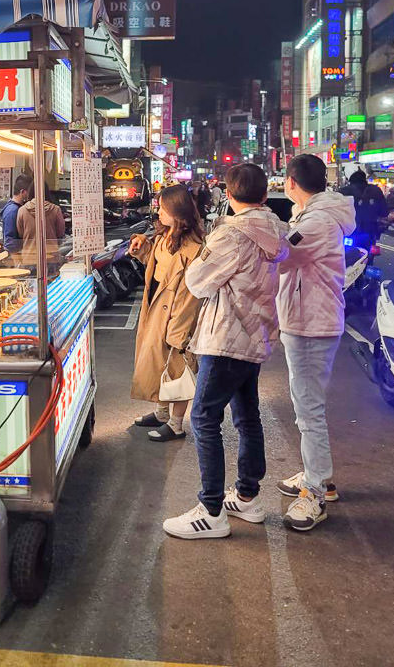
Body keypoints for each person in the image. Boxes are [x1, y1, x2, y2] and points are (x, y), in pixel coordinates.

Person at [163, 163, 287, 540]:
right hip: (256, 334)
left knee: (203, 417)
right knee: (247, 415)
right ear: (265, 195)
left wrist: (204, 257)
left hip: (227, 337)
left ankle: (211, 509)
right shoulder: (278, 230)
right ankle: (247, 496)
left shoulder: (231, 235)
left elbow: (198, 282)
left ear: (229, 196)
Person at [276, 154, 356, 531]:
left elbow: (280, 256)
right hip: (309, 318)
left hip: (311, 323)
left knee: (309, 409)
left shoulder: (317, 221)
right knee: (307, 405)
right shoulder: (315, 216)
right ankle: (317, 473)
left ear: (292, 181)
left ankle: (316, 490)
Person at [130, 184, 204, 441]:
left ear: (178, 212)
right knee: (156, 363)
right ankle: (161, 412)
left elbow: (190, 295)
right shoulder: (163, 237)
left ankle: (176, 423)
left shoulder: (193, 249)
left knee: (176, 367)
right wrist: (143, 248)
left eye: (163, 208)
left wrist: (180, 330)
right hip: (156, 306)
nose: (158, 212)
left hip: (175, 313)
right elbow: (157, 265)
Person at [16, 179, 66, 273]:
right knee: (50, 285)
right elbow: (60, 233)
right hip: (51, 258)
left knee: (31, 286)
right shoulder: (55, 210)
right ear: (47, 192)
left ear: (30, 192)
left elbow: (20, 234)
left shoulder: (22, 210)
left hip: (29, 257)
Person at [340, 168, 386, 245]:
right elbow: (384, 211)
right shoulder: (376, 190)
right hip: (371, 230)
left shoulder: (344, 191)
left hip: (350, 230)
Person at [0, 174, 31, 257]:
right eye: (30, 192)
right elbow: (10, 241)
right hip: (16, 256)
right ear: (23, 192)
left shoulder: (15, 208)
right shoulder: (13, 211)